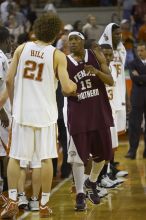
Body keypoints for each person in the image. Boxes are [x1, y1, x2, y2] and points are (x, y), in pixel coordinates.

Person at [0, 13, 77, 219]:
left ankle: (14, 200)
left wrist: (17, 102)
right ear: (56, 33)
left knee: (16, 157)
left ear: (36, 28)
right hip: (45, 115)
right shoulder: (57, 55)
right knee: (45, 159)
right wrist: (74, 85)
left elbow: (8, 79)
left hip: (22, 113)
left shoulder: (21, 48)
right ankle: (43, 204)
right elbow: (67, 88)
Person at [66, 31, 114, 211]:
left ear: (83, 41)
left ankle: (91, 182)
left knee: (103, 155)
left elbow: (111, 81)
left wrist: (96, 72)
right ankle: (79, 194)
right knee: (78, 158)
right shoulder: (64, 61)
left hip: (99, 112)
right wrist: (70, 90)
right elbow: (63, 90)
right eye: (70, 40)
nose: (72, 43)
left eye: (76, 39)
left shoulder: (95, 55)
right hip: (78, 113)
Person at [99, 23, 128, 177]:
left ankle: (111, 165)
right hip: (106, 100)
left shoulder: (121, 49)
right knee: (107, 137)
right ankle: (106, 170)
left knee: (114, 136)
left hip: (118, 94)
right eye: (116, 34)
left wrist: (126, 98)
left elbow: (121, 76)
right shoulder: (103, 50)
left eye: (120, 33)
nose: (119, 36)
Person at [125, 42, 146, 159]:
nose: (139, 53)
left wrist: (141, 78)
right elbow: (135, 78)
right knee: (134, 125)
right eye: (138, 51)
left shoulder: (134, 65)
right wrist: (140, 78)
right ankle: (132, 151)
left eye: (142, 50)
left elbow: (139, 78)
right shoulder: (132, 63)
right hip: (137, 98)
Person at [0, 26, 11, 204]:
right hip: (2, 111)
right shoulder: (0, 56)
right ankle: (8, 191)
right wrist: (1, 111)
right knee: (5, 152)